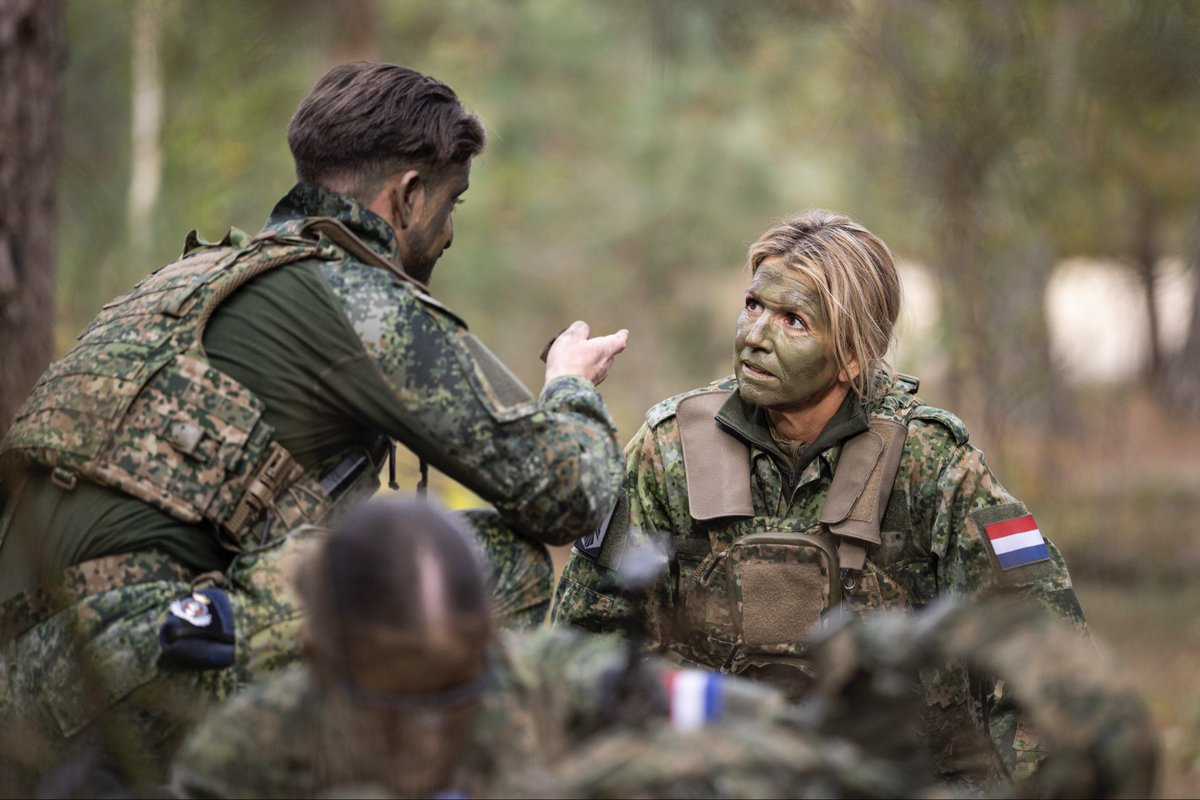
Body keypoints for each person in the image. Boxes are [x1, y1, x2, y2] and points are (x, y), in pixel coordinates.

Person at [0, 62, 627, 785]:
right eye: (451, 204)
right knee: (486, 567)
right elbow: (565, 492)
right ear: (409, 195)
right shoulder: (356, 298)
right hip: (125, 666)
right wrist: (569, 385)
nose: (450, 233)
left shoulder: (188, 279)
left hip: (28, 677)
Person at [551, 209, 1088, 788]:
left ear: (854, 354)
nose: (754, 336)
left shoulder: (934, 466)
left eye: (794, 320)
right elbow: (584, 644)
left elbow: (1042, 653)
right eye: (754, 305)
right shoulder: (669, 450)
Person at [170, 498, 1156, 799]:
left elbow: (690, 705)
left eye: (455, 676)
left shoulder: (535, 672)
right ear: (334, 658)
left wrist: (818, 745)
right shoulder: (254, 747)